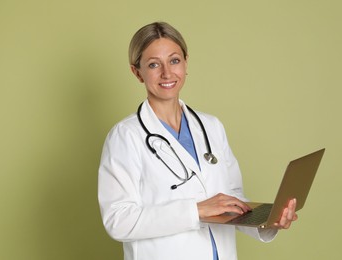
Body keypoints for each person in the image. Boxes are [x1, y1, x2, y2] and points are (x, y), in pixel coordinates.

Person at [98, 21, 298, 260]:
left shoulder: (211, 127)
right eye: (153, 64)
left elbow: (233, 200)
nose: (167, 73)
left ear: (185, 62)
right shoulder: (126, 136)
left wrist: (268, 221)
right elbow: (118, 221)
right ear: (137, 72)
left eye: (174, 60)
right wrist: (195, 211)